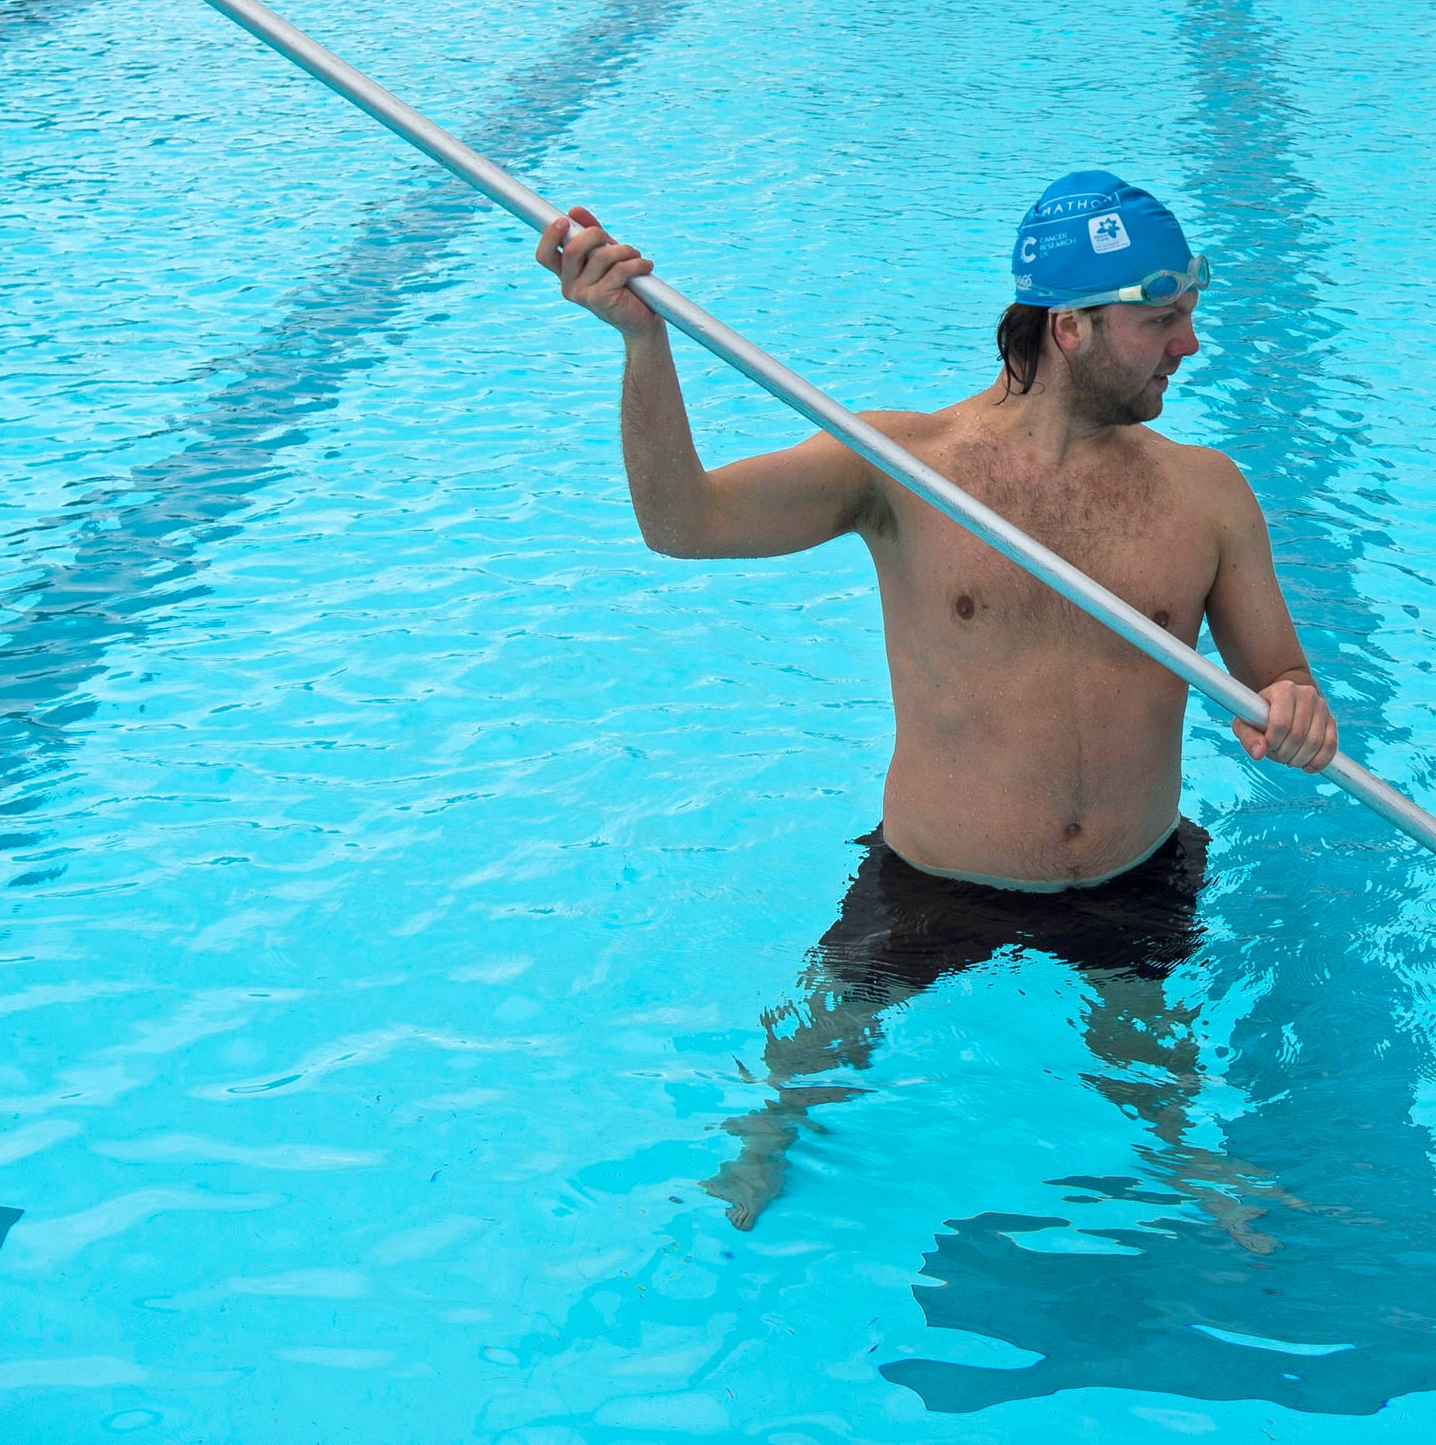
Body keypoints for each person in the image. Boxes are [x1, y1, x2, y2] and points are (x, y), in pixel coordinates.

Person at [538, 172, 1339, 1231]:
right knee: (810, 1058)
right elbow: (683, 522)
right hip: (933, 875)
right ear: (1069, 327)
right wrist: (645, 347)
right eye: (1161, 319)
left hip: (1132, 871)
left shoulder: (1206, 491)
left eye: (1186, 313)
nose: (1188, 343)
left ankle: (1185, 1160)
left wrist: (1295, 709)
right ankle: (768, 1136)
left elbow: (1281, 676)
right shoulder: (899, 466)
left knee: (1156, 1074)